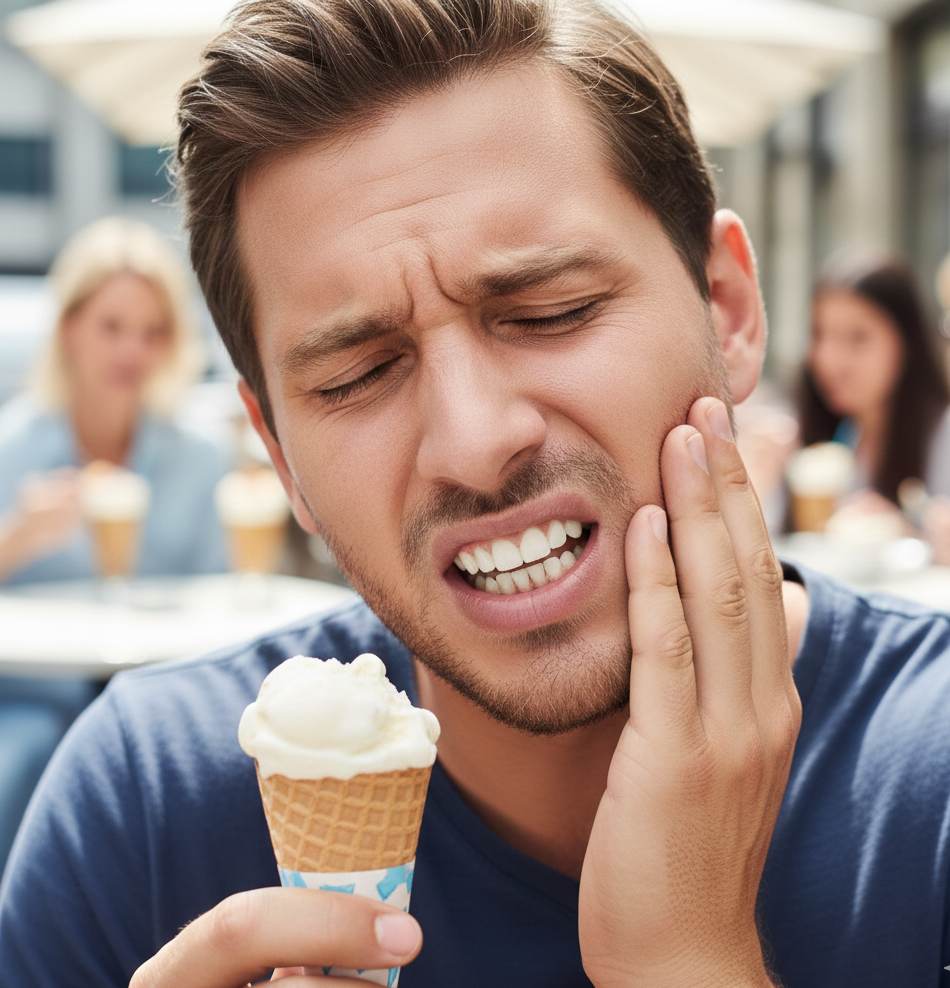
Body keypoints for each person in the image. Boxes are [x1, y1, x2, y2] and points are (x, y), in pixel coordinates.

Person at [1, 1, 950, 986]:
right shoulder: (141, 817)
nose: (472, 442)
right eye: (355, 376)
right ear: (281, 458)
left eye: (550, 311)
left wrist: (686, 960)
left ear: (728, 309)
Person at [0, 217, 231, 874]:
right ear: (69, 330)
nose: (132, 349)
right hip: (34, 696)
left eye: (153, 330)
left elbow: (221, 604)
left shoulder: (198, 456)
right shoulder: (14, 447)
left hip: (155, 688)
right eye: (111, 326)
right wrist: (16, 537)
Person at [797, 254, 950, 549]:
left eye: (858, 338)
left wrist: (910, 536)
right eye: (820, 334)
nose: (831, 360)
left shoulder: (942, 437)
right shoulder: (822, 441)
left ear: (907, 342)